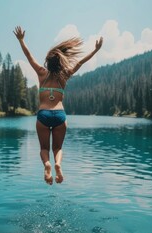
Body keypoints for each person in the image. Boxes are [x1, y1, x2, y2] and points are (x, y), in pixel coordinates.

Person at [14, 26, 103, 185]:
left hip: (43, 115)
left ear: (48, 63)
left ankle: (47, 165)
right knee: (57, 149)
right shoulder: (64, 75)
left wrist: (21, 40)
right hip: (60, 116)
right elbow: (81, 62)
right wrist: (95, 50)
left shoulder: (41, 73)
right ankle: (57, 164)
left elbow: (28, 56)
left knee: (44, 149)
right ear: (60, 63)